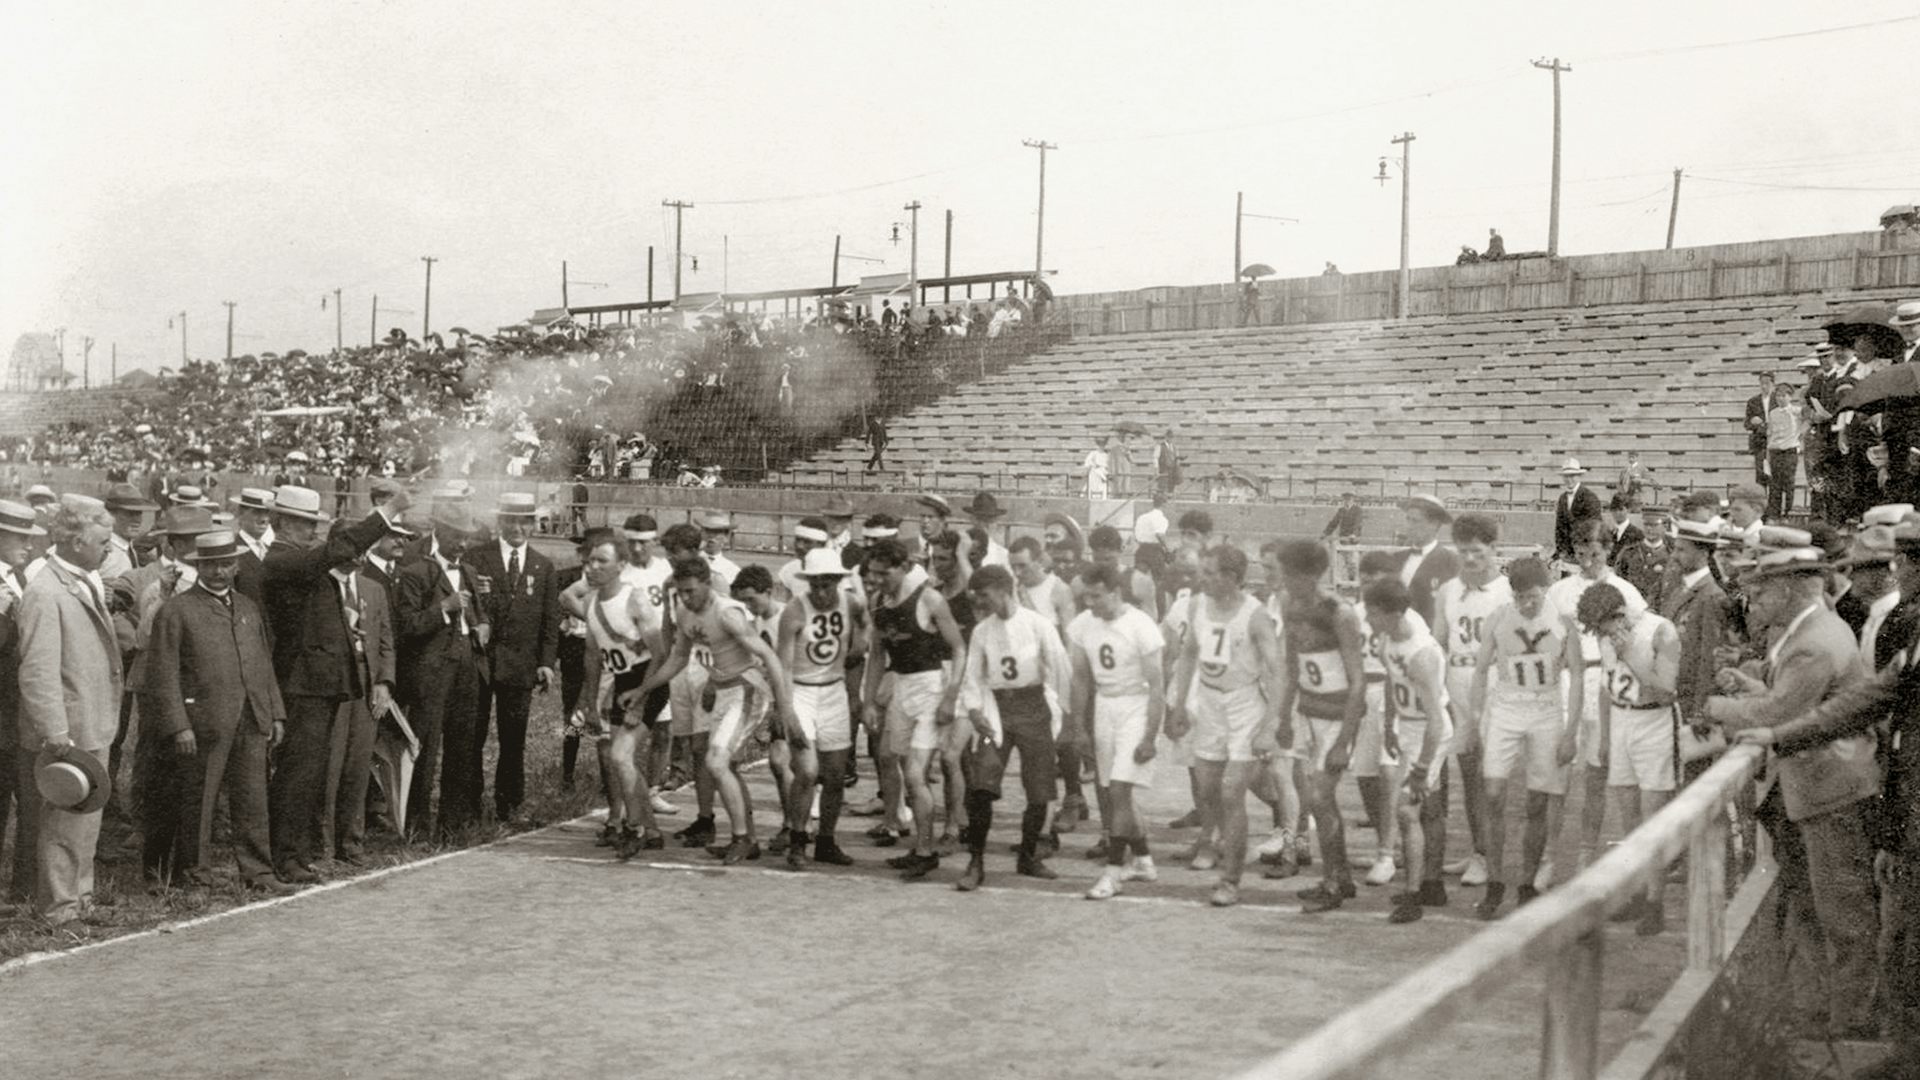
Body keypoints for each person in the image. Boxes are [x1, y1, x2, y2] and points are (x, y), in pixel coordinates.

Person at [1708, 543, 1881, 1040]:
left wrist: (1718, 706)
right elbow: (1791, 701)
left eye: (1761, 591)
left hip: (1831, 789)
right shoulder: (1811, 631)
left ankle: (1849, 1024)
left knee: (1840, 911)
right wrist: (1750, 685)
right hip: (1818, 786)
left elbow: (1776, 716)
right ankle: (1825, 1010)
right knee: (1818, 904)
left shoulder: (1813, 640)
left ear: (1786, 590)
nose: (1754, 601)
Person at [261, 485, 406, 882]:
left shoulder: (298, 560)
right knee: (297, 775)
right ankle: (286, 857)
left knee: (309, 774)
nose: (313, 531)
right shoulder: (282, 560)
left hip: (319, 684)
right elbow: (339, 550)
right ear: (283, 523)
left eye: (314, 524)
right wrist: (386, 512)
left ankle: (297, 851)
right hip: (303, 684)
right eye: (306, 524)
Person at [141, 531, 294, 894]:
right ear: (197, 566)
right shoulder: (178, 610)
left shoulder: (247, 607)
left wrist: (274, 713)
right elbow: (163, 674)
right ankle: (195, 876)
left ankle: (259, 873)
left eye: (226, 564)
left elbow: (262, 664)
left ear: (237, 565)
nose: (219, 572)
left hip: (251, 718)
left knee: (253, 799)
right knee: (199, 801)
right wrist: (179, 726)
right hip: (203, 722)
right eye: (210, 565)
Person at [627, 556, 795, 865]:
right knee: (722, 764)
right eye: (681, 591)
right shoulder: (684, 611)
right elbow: (677, 659)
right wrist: (644, 688)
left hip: (747, 689)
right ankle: (750, 839)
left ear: (707, 585)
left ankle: (741, 838)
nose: (686, 597)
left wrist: (782, 709)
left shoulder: (728, 613)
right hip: (722, 689)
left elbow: (768, 656)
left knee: (716, 762)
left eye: (691, 591)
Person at [16, 495, 121, 926]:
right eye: (102, 540)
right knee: (62, 823)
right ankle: (60, 909)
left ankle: (81, 898)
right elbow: (38, 670)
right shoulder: (45, 590)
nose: (109, 549)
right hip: (70, 731)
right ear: (75, 541)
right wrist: (54, 731)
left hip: (95, 721)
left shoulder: (83, 579)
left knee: (86, 821)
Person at [1166, 544, 1284, 908]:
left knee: (1233, 792)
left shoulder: (1255, 615)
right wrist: (1181, 705)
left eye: (1211, 573)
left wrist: (1270, 724)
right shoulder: (1196, 605)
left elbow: (1278, 672)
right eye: (1202, 571)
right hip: (1209, 701)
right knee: (1208, 789)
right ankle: (1254, 825)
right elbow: (1188, 654)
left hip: (1244, 703)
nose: (1202, 578)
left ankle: (1230, 879)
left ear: (1233, 578)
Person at [1467, 557, 1582, 917]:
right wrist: (1475, 719)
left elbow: (1577, 676)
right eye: (1520, 598)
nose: (1526, 605)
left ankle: (1528, 883)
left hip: (1546, 707)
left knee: (1537, 801)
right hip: (1506, 705)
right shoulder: (1499, 618)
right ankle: (1495, 882)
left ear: (1545, 590)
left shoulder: (1563, 622)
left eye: (1532, 597)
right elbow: (1481, 669)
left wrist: (1570, 731)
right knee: (1493, 792)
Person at [955, 565, 1071, 890]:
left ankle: (1029, 855)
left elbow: (1060, 668)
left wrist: (1066, 714)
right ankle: (976, 861)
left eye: (986, 594)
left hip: (1033, 706)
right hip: (996, 709)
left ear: (1004, 590)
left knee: (1039, 790)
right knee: (982, 787)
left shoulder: (1038, 624)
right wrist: (974, 709)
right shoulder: (982, 630)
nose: (982, 602)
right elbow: (972, 676)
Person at [1575, 582, 1681, 936]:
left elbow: (1665, 691)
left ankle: (1656, 900)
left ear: (1618, 615)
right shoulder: (1608, 638)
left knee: (1653, 815)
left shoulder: (1661, 631)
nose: (1602, 635)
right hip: (1621, 720)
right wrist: (1605, 737)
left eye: (1603, 627)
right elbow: (1607, 688)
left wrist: (1630, 655)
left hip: (1653, 721)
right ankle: (1638, 892)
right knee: (1628, 816)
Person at [861, 540, 967, 879]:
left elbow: (960, 648)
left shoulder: (929, 599)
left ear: (904, 567)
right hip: (901, 687)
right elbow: (877, 655)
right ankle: (918, 844)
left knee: (916, 774)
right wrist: (868, 700)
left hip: (931, 686)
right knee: (898, 763)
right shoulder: (877, 601)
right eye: (873, 573)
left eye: (884, 572)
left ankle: (926, 850)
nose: (876, 579)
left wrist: (951, 696)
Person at [1548, 515, 1648, 872]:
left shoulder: (1626, 592)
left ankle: (1587, 852)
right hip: (1567, 685)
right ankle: (1549, 856)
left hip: (1605, 684)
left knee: (1596, 773)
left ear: (1608, 548)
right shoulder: (1559, 591)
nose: (1587, 554)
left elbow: (1640, 640)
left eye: (1595, 547)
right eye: (1580, 548)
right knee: (1556, 771)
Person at [1274, 540, 1367, 913]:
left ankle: (1331, 882)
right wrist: (1284, 717)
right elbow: (1293, 667)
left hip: (1338, 717)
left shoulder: (1339, 613)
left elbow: (1358, 680)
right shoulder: (1289, 604)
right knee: (1321, 800)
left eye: (1289, 575)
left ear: (1311, 575)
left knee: (1318, 798)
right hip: (1309, 714)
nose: (1284, 581)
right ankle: (1341, 877)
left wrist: (1344, 741)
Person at [393, 502, 490, 842]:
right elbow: (405, 626)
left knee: (463, 747)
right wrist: (443, 610)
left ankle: (452, 823)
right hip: (431, 672)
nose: (462, 544)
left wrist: (482, 626)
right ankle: (417, 827)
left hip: (467, 668)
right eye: (456, 537)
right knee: (425, 749)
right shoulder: (415, 572)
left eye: (466, 538)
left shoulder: (470, 573)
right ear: (439, 532)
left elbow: (478, 614)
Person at [1070, 562, 1165, 900]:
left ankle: (1112, 873)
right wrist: (1079, 725)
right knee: (1113, 792)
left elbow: (1157, 686)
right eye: (1086, 597)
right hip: (1105, 708)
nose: (1090, 603)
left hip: (1136, 706)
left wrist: (1151, 736)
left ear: (1115, 592)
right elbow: (1080, 678)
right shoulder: (1082, 625)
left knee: (1120, 792)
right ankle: (1143, 860)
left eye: (1097, 597)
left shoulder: (1141, 625)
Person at [1363, 577, 1452, 924]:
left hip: (1430, 732)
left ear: (1395, 613)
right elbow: (1391, 681)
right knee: (1427, 810)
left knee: (1406, 812)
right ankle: (1432, 883)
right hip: (1409, 727)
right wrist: (1390, 725)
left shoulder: (1421, 655)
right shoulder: (1389, 638)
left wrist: (1421, 767)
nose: (1368, 619)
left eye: (1374, 613)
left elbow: (1437, 722)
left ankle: (1413, 895)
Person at [773, 548, 868, 870]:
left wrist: (859, 647)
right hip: (800, 691)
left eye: (828, 583)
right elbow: (782, 669)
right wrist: (787, 714)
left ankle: (827, 840)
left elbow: (866, 624)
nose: (822, 590)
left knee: (836, 775)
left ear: (839, 581)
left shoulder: (851, 602)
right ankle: (798, 839)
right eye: (815, 583)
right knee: (807, 771)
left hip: (834, 691)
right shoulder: (794, 611)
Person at [1429, 514, 1509, 891]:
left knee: (1488, 775)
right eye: (1463, 552)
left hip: (1492, 682)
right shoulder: (1448, 589)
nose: (1470, 559)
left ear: (1494, 550)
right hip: (1457, 682)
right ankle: (1477, 849)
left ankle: (1489, 856)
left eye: (1477, 552)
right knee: (1467, 769)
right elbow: (1438, 643)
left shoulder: (1507, 592)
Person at [576, 528, 666, 859]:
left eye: (602, 561)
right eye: (589, 561)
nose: (592, 567)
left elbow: (660, 654)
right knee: (621, 759)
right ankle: (652, 828)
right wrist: (589, 701)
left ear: (620, 565)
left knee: (619, 756)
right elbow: (591, 655)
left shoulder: (634, 598)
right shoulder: (590, 603)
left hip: (650, 681)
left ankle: (636, 828)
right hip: (623, 684)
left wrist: (640, 700)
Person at [469, 492, 558, 824]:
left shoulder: (543, 566)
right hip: (480, 664)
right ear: (500, 522)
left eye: (524, 521)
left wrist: (546, 662)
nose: (517, 527)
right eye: (511, 520)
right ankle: (469, 803)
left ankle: (510, 804)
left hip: (520, 667)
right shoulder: (478, 558)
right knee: (472, 736)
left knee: (513, 738)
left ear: (533, 525)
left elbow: (550, 621)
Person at [0, 500, 41, 903]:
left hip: (22, 715)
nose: (28, 546)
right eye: (19, 537)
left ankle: (24, 889)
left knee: (30, 800)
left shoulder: (21, 579)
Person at [1399, 494, 1458, 628]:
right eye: (1407, 519)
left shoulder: (1451, 562)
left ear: (1434, 524)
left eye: (1415, 521)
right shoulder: (1396, 559)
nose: (1409, 526)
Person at [1551, 460, 1602, 564]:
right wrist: (1560, 552)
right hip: (1567, 554)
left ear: (1579, 476)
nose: (1569, 480)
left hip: (1585, 553)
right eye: (1566, 476)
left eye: (1572, 476)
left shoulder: (1589, 497)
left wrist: (1583, 553)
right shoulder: (1563, 498)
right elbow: (1559, 528)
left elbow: (1593, 528)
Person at [1765, 381, 1802, 521]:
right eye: (1778, 396)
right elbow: (1771, 433)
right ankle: (1774, 514)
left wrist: (1800, 436)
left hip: (1789, 451)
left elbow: (1807, 421)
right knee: (1775, 484)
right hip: (1775, 451)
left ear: (1790, 397)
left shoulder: (1796, 411)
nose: (1780, 398)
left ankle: (1788, 512)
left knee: (1788, 483)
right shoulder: (1773, 413)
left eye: (1783, 395)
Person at [1744, 373, 1774, 487]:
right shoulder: (1753, 401)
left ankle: (1774, 503)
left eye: (1767, 383)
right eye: (1762, 383)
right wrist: (1754, 422)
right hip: (1760, 442)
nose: (1764, 386)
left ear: (1773, 384)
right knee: (1760, 474)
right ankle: (1762, 501)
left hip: (1775, 440)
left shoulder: (1778, 399)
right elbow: (1746, 424)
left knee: (1775, 475)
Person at [1082, 436, 1113, 500]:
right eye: (1100, 445)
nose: (1102, 446)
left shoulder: (1106, 455)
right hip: (1095, 473)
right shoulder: (1093, 453)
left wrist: (1107, 471)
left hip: (1103, 473)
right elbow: (1088, 463)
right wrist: (1093, 465)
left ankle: (1103, 498)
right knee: (1093, 488)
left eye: (1103, 445)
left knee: (1103, 487)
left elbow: (1108, 465)